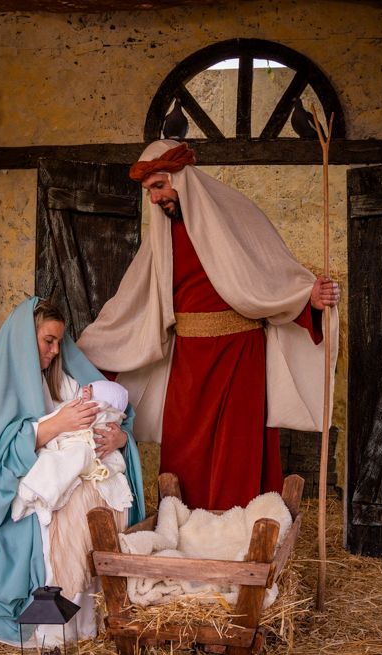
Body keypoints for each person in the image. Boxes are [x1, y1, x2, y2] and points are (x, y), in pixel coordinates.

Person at [77, 140, 340, 510]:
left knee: (238, 450)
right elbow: (134, 301)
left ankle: (239, 539)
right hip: (189, 359)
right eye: (148, 191)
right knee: (185, 451)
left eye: (159, 186)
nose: (154, 199)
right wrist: (92, 351)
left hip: (241, 356)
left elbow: (271, 278)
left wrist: (307, 299)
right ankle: (183, 533)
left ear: (181, 180)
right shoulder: (161, 236)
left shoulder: (237, 215)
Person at [0, 297, 145, 645]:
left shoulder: (60, 381)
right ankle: (55, 626)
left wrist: (117, 440)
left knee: (104, 492)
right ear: (25, 338)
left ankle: (91, 617)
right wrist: (56, 426)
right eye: (47, 341)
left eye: (58, 342)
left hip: (67, 471)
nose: (55, 351)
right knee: (68, 506)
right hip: (7, 491)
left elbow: (103, 414)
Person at [10, 379, 133, 526]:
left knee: (66, 463)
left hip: (80, 447)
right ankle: (28, 496)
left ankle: (43, 500)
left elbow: (98, 414)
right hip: (57, 444)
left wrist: (122, 439)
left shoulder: (103, 410)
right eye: (88, 388)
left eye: (92, 391)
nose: (85, 390)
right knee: (49, 461)